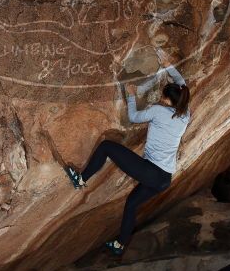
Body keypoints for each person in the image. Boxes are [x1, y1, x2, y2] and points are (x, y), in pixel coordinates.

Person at [65, 48, 190, 256]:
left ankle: (80, 179)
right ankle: (120, 244)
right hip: (165, 178)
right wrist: (167, 65)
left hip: (151, 171)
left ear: (168, 100)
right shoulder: (185, 114)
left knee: (107, 147)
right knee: (131, 203)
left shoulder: (160, 111)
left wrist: (131, 96)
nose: (160, 98)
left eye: (162, 96)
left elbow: (133, 116)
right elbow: (182, 84)